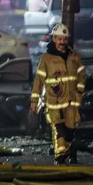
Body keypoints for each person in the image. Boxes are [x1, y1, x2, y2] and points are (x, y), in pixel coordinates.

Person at [30, 23, 86, 165]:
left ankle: (64, 152)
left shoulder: (74, 57)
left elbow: (81, 75)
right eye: (59, 39)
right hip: (54, 102)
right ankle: (59, 156)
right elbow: (38, 81)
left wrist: (79, 91)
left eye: (64, 39)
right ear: (54, 39)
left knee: (70, 131)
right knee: (59, 130)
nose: (62, 42)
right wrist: (34, 101)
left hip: (71, 102)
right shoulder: (46, 59)